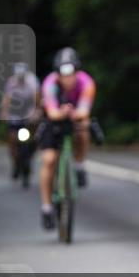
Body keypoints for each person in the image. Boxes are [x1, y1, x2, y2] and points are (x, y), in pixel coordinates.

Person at [38, 47, 96, 229]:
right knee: (49, 160)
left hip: (74, 118)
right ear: (58, 74)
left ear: (77, 72)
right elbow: (53, 112)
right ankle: (47, 207)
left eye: (71, 74)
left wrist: (74, 114)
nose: (68, 79)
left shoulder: (87, 83)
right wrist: (61, 112)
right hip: (54, 121)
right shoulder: (49, 84)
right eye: (64, 74)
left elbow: (85, 110)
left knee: (84, 128)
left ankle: (79, 165)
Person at [2, 62, 41, 178]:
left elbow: (37, 97)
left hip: (29, 108)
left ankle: (31, 154)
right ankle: (15, 163)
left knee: (36, 130)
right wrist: (4, 112)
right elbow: (7, 99)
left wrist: (37, 111)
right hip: (15, 110)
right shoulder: (11, 82)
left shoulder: (32, 80)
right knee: (12, 138)